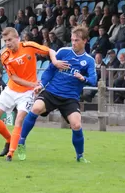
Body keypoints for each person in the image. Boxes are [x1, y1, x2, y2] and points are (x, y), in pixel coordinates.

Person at [17, 26, 97, 163]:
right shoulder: (63, 52)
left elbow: (93, 80)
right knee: (35, 108)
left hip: (70, 97)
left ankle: (80, 156)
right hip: (52, 92)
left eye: (76, 40)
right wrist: (42, 85)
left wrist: (83, 79)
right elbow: (49, 70)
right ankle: (21, 142)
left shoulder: (89, 60)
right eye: (72, 40)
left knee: (76, 125)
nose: (73, 43)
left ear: (85, 41)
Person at [0, 27, 68, 161]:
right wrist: (32, 84)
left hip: (27, 93)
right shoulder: (4, 56)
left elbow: (50, 50)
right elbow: (13, 77)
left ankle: (11, 153)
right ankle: (9, 140)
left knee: (19, 119)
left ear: (17, 38)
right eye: (5, 40)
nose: (8, 43)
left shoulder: (29, 46)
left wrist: (54, 61)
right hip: (11, 89)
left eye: (10, 40)